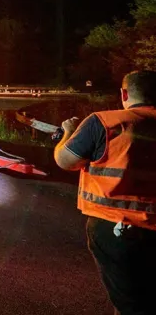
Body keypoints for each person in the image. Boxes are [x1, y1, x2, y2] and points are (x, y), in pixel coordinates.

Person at [54, 70, 156, 315]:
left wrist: (67, 133)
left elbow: (65, 161)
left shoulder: (104, 122)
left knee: (130, 303)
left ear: (123, 94)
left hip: (116, 230)